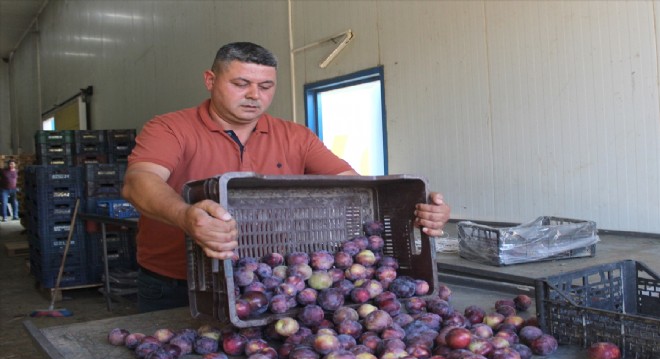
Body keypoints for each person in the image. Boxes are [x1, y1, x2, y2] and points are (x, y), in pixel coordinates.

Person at [122, 41, 451, 313]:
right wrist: (184, 216)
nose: (254, 95)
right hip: (176, 284)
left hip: (270, 282)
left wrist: (420, 207)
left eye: (265, 87)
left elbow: (356, 187)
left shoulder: (296, 136)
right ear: (210, 80)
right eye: (240, 84)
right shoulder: (170, 128)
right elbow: (139, 181)